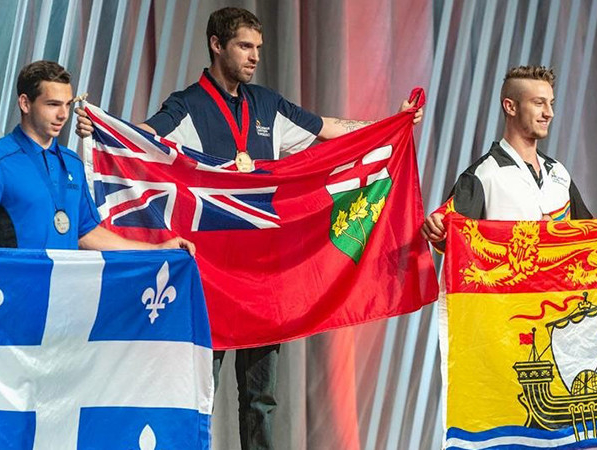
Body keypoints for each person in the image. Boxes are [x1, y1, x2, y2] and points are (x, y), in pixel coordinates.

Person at [73, 7, 422, 449]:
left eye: (258, 48)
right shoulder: (186, 106)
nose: (254, 57)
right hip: (211, 275)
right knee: (203, 389)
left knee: (261, 397)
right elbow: (140, 140)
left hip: (263, 273)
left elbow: (329, 130)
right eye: (244, 46)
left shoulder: (268, 105)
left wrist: (391, 123)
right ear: (217, 45)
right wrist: (99, 129)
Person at [0, 60, 194, 262]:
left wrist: (156, 250)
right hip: (11, 308)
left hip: (64, 311)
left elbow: (85, 233)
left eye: (67, 104)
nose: (63, 115)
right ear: (25, 103)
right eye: (52, 105)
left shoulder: (72, 164)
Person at [421, 65, 591, 247]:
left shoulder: (559, 173)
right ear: (510, 107)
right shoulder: (483, 175)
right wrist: (436, 229)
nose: (549, 113)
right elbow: (447, 236)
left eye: (551, 103)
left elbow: (592, 235)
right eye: (539, 103)